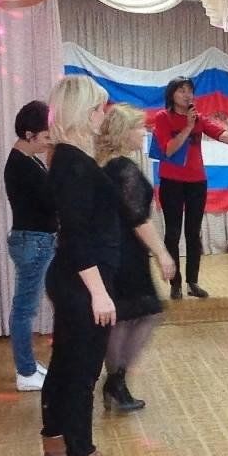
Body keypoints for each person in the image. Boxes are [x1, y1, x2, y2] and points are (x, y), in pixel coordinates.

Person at [40, 76, 130, 456]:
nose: (102, 115)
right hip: (83, 282)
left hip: (73, 278)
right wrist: (99, 292)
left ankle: (56, 442)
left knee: (64, 364)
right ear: (82, 112)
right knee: (80, 375)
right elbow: (76, 236)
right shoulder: (74, 164)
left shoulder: (67, 157)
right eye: (98, 108)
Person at [96, 104, 176, 413]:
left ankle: (116, 382)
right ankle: (116, 380)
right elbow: (138, 219)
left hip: (113, 251)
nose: (145, 132)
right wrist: (162, 253)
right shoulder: (123, 169)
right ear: (124, 132)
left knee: (125, 318)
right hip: (127, 253)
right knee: (143, 313)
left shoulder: (104, 165)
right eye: (139, 127)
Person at [152, 77, 228, 300]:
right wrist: (188, 127)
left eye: (190, 91)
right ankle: (175, 283)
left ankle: (192, 282)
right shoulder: (163, 118)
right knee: (172, 233)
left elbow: (220, 133)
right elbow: (169, 150)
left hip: (196, 182)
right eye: (182, 91)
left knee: (194, 233)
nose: (187, 95)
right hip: (171, 182)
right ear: (172, 95)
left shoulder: (199, 118)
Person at [4, 101, 57, 392]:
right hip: (33, 241)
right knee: (24, 309)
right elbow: (49, 201)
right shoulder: (21, 165)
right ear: (29, 134)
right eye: (46, 136)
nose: (49, 141)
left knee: (25, 307)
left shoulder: (28, 160)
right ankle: (25, 371)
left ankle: (28, 366)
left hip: (35, 239)